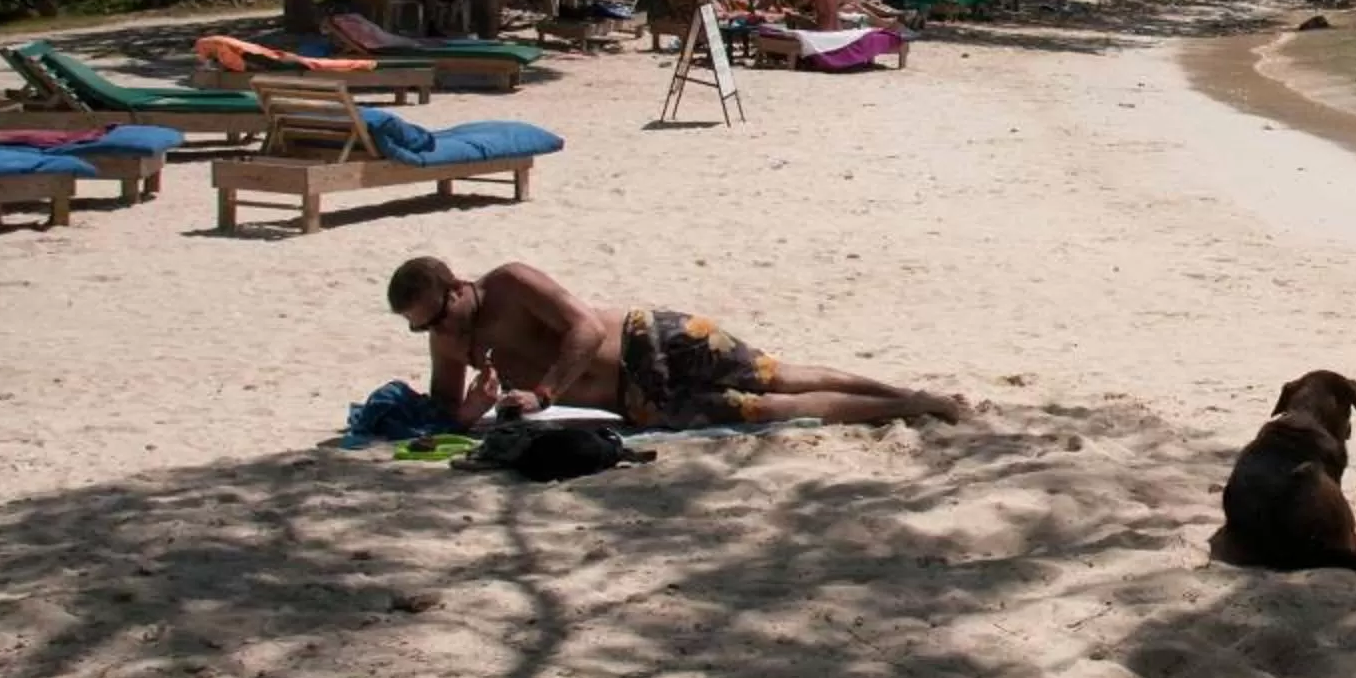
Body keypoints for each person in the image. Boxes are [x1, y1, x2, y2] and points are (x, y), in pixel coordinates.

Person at [388, 256, 969, 430]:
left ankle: (913, 396)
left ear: (458, 288)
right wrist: (470, 410)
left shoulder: (511, 285)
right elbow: (447, 415)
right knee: (766, 409)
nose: (438, 330)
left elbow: (585, 330)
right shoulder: (448, 345)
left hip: (649, 339)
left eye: (439, 315)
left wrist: (541, 393)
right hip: (634, 403)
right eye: (423, 327)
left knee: (776, 374)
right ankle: (905, 407)